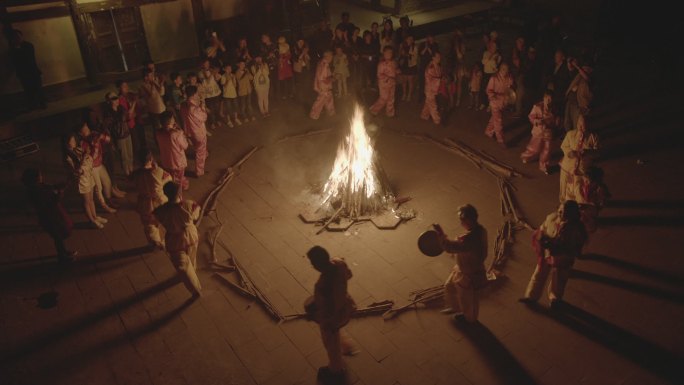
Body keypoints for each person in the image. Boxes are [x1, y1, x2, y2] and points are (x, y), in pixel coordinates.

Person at [520, 200, 588, 307]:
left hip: (563, 257)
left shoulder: (576, 228)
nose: (560, 214)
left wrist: (567, 250)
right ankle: (531, 296)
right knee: (539, 273)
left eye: (564, 213)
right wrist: (541, 238)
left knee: (559, 278)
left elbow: (578, 244)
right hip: (548, 253)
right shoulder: (551, 218)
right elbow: (542, 229)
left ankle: (555, 299)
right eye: (560, 211)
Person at [305, 246, 357, 383]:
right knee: (336, 334)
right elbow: (349, 274)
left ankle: (336, 370)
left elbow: (327, 310)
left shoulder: (322, 286)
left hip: (333, 319)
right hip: (346, 306)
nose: (312, 265)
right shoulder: (339, 262)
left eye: (312, 263)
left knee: (331, 344)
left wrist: (313, 315)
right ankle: (346, 346)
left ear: (317, 265)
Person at [436, 204, 488, 323]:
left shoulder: (469, 240)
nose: (460, 223)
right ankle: (456, 308)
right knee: (449, 287)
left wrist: (440, 235)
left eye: (461, 219)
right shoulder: (481, 230)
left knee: (469, 300)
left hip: (469, 274)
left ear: (468, 220)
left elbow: (449, 247)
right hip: (463, 267)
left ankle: (470, 321)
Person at [153, 182, 202, 297]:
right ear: (180, 193)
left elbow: (156, 221)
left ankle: (194, 288)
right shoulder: (189, 205)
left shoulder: (160, 210)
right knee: (192, 255)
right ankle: (193, 269)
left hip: (174, 240)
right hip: (190, 236)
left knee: (182, 265)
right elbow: (196, 214)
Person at [22, 169, 75, 263]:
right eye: (39, 176)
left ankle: (63, 252)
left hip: (50, 215)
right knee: (57, 236)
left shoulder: (37, 187)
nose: (41, 177)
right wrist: (59, 194)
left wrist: (66, 183)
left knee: (58, 236)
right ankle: (62, 257)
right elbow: (50, 202)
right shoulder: (36, 191)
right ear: (35, 179)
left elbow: (52, 188)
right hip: (50, 217)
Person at [79, 122, 124, 210]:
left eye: (87, 128)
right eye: (84, 130)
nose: (87, 130)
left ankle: (109, 199)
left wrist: (102, 136)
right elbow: (90, 158)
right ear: (81, 134)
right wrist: (95, 145)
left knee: (107, 182)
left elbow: (108, 139)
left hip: (100, 164)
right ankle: (104, 205)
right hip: (93, 168)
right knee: (98, 188)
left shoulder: (94, 134)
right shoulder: (83, 143)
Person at [65, 134, 107, 227]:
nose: (74, 142)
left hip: (89, 176)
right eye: (72, 141)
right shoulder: (68, 157)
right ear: (67, 143)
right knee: (86, 201)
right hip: (82, 181)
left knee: (91, 199)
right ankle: (91, 221)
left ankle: (95, 217)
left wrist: (88, 155)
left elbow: (88, 157)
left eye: (74, 140)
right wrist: (84, 158)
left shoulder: (77, 149)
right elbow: (77, 171)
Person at [131, 151, 172, 249]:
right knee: (164, 221)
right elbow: (169, 179)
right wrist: (156, 168)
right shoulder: (158, 172)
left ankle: (154, 242)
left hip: (145, 203)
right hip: (159, 202)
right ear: (150, 159)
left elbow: (135, 184)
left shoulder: (136, 174)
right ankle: (167, 241)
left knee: (149, 224)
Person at [559, 115, 599, 202]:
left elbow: (598, 152)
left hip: (581, 171)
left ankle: (579, 208)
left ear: (588, 125)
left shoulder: (593, 137)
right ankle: (563, 205)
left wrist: (588, 152)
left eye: (583, 125)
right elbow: (564, 146)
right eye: (579, 125)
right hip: (567, 168)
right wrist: (571, 153)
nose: (581, 128)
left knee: (578, 191)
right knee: (564, 189)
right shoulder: (570, 134)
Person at [521, 91, 557, 174]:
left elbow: (555, 119)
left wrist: (556, 122)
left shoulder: (554, 108)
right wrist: (536, 121)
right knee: (535, 148)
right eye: (547, 99)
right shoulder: (537, 107)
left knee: (547, 149)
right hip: (539, 132)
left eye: (551, 100)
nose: (549, 102)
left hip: (548, 132)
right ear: (544, 98)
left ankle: (543, 165)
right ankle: (526, 156)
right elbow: (531, 116)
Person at [8, 29, 45, 111]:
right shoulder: (13, 49)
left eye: (18, 36)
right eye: (15, 37)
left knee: (38, 88)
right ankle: (32, 105)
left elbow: (28, 58)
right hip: (23, 74)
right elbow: (15, 62)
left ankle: (42, 103)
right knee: (28, 90)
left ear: (21, 36)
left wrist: (17, 49)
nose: (17, 39)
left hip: (33, 71)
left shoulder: (28, 45)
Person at [102, 91, 134, 176]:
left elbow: (127, 118)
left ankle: (131, 170)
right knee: (124, 156)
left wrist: (130, 113)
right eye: (113, 99)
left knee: (130, 154)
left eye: (116, 98)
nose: (116, 100)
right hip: (119, 136)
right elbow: (108, 127)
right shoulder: (108, 112)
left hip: (127, 133)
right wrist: (111, 141)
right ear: (108, 101)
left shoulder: (121, 108)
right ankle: (127, 174)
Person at [156, 110, 189, 190]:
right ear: (171, 121)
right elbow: (185, 146)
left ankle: (175, 190)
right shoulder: (176, 134)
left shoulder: (158, 133)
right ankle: (178, 197)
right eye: (173, 118)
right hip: (178, 162)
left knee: (171, 177)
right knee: (178, 182)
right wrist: (181, 133)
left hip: (166, 161)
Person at [181, 86, 208, 178]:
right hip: (198, 132)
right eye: (197, 93)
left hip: (190, 131)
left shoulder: (184, 105)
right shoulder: (194, 108)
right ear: (194, 94)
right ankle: (199, 171)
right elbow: (204, 117)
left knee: (198, 148)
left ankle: (204, 154)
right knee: (200, 152)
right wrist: (203, 106)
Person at [573, 166, 611, 233]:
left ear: (596, 182)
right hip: (581, 206)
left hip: (591, 209)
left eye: (588, 181)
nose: (586, 183)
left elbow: (602, 202)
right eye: (585, 180)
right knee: (581, 217)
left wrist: (596, 206)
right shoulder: (581, 186)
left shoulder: (599, 189)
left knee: (589, 222)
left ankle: (590, 227)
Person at [484, 63, 513, 146]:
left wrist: (509, 97)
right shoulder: (494, 78)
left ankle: (488, 131)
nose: (505, 71)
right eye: (503, 69)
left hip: (503, 103)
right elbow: (488, 90)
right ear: (500, 69)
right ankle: (501, 140)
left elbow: (510, 89)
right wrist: (495, 97)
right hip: (495, 103)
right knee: (498, 121)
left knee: (495, 118)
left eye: (507, 69)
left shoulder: (509, 78)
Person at [564, 58, 593, 132]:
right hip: (570, 102)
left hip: (580, 105)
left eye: (585, 68)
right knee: (567, 123)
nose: (583, 70)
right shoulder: (578, 76)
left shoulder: (588, 78)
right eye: (583, 68)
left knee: (577, 125)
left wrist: (577, 66)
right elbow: (570, 72)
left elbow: (587, 77)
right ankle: (570, 139)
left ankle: (577, 141)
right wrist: (570, 64)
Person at [369, 46, 399, 117]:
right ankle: (374, 110)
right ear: (384, 53)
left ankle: (390, 113)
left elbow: (394, 70)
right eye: (387, 53)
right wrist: (388, 78)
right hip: (384, 83)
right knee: (384, 98)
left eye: (390, 53)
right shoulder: (381, 64)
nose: (389, 54)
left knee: (391, 98)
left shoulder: (393, 62)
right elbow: (379, 75)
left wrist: (397, 72)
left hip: (392, 83)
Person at [116, 80, 141, 155]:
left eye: (126, 86)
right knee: (135, 144)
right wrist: (134, 102)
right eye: (124, 86)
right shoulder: (120, 100)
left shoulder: (127, 97)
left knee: (137, 141)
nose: (126, 88)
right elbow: (128, 114)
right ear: (119, 89)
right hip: (128, 125)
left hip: (133, 122)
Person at [310, 50, 336, 120]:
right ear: (328, 57)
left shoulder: (321, 62)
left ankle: (331, 114)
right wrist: (332, 78)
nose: (332, 58)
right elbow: (323, 78)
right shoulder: (325, 64)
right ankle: (313, 115)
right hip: (324, 86)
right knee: (320, 101)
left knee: (329, 99)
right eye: (331, 56)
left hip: (321, 86)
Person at [198, 58, 222, 130]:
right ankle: (212, 122)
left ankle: (218, 120)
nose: (207, 65)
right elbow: (207, 81)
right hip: (208, 94)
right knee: (210, 108)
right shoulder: (200, 73)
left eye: (208, 63)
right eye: (205, 63)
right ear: (202, 64)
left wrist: (216, 74)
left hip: (215, 92)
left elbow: (216, 80)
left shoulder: (212, 70)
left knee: (217, 107)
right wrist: (212, 73)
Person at [421, 51, 442, 125]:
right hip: (430, 89)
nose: (439, 58)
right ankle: (437, 120)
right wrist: (441, 81)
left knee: (428, 103)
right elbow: (430, 80)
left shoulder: (437, 66)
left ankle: (424, 115)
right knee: (433, 105)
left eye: (440, 57)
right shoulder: (430, 68)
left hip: (434, 89)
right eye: (438, 57)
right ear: (433, 58)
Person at [481, 41, 501, 109]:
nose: (493, 48)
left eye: (495, 47)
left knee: (491, 90)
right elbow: (483, 62)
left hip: (492, 74)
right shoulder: (486, 53)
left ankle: (490, 104)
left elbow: (496, 65)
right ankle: (484, 103)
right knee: (485, 89)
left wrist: (492, 62)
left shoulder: (498, 55)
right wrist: (491, 56)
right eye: (492, 46)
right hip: (486, 73)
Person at [511, 37, 527, 117]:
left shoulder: (524, 53)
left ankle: (519, 111)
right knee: (513, 93)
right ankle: (514, 108)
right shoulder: (514, 51)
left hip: (520, 76)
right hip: (514, 75)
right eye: (519, 42)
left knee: (519, 94)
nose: (520, 44)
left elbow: (523, 65)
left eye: (522, 42)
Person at [398, 35, 418, 102]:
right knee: (404, 81)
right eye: (409, 39)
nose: (410, 40)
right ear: (406, 39)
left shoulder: (414, 47)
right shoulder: (402, 46)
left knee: (410, 81)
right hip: (404, 66)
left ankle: (409, 95)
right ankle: (404, 94)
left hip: (411, 66)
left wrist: (406, 55)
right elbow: (399, 55)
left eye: (411, 39)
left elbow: (414, 57)